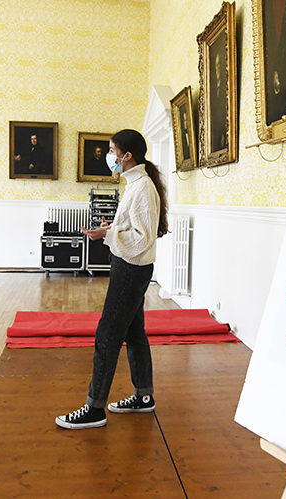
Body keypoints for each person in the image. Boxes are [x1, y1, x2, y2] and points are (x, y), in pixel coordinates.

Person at [56, 129, 169, 430]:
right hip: (129, 266)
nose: (109, 156)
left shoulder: (142, 187)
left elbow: (141, 239)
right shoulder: (136, 183)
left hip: (131, 268)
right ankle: (144, 396)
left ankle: (95, 408)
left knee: (107, 335)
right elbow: (132, 229)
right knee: (134, 333)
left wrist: (108, 233)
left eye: (111, 150)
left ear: (126, 155)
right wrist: (112, 229)